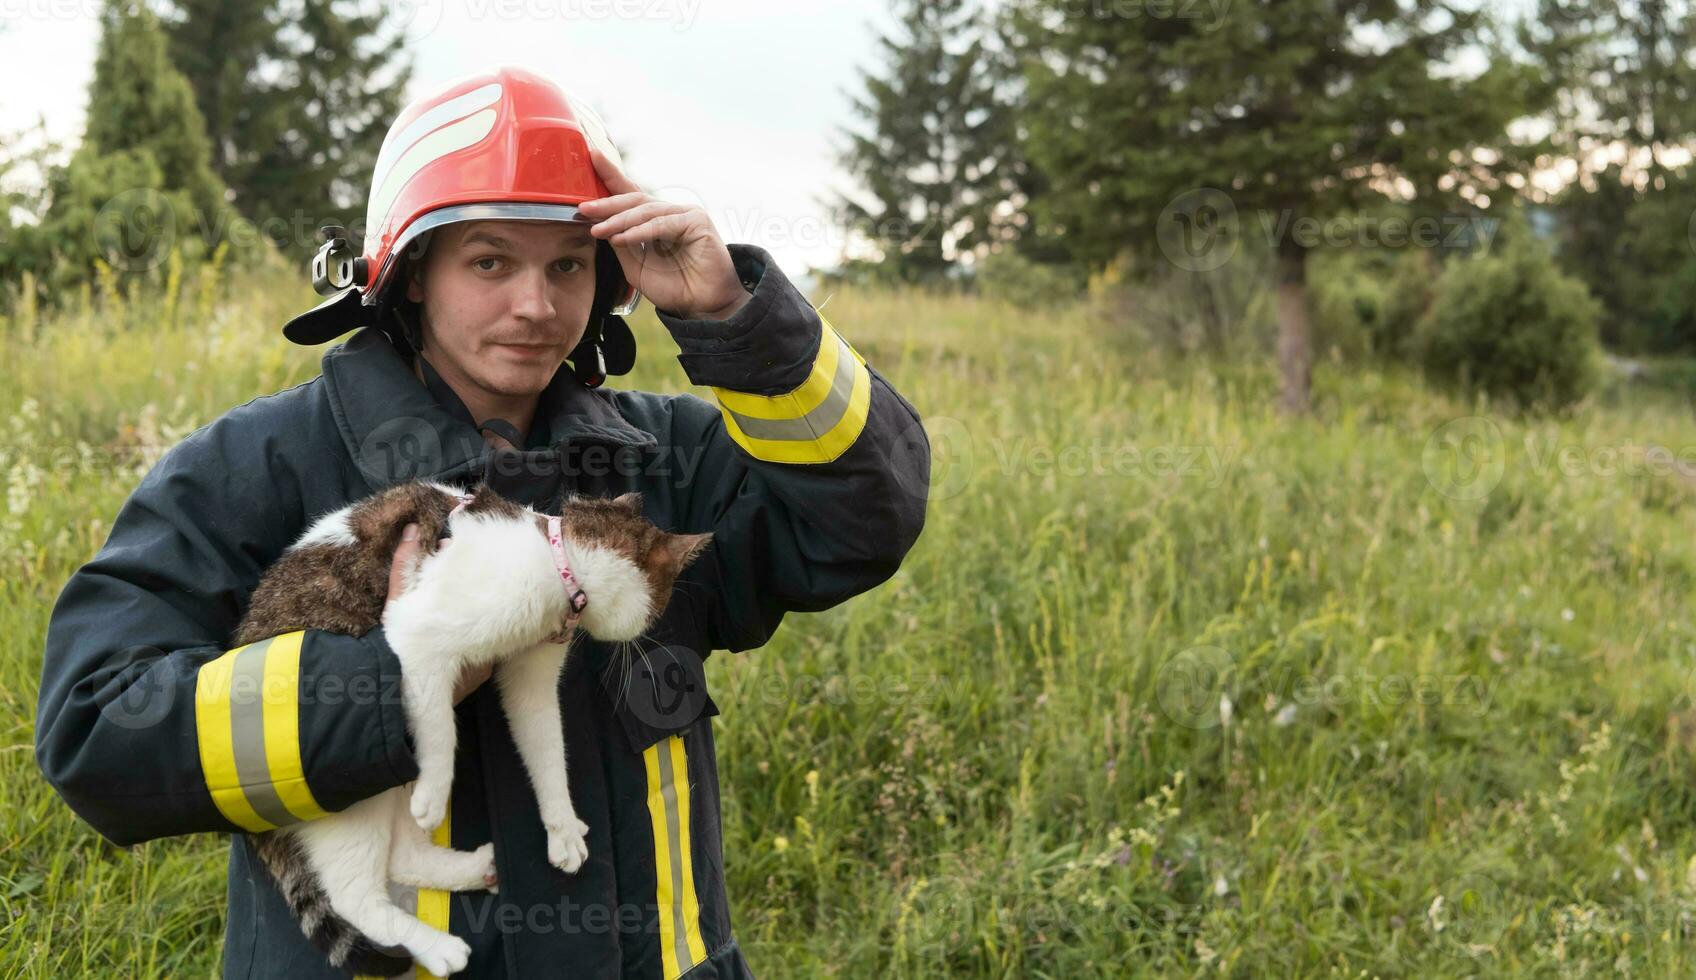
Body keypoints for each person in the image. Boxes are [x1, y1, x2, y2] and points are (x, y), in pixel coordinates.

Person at [34, 65, 930, 979]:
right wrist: (396, 681)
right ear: (412, 275)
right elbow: (99, 729)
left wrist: (735, 320)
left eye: (569, 266)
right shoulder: (262, 467)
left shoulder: (666, 462)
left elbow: (867, 517)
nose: (536, 306)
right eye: (491, 261)